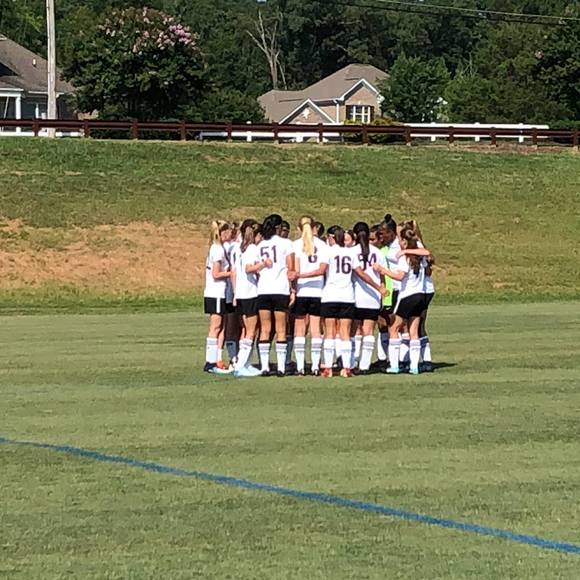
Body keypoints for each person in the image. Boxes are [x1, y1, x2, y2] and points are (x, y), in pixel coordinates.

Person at [321, 225, 386, 378]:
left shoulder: (332, 251)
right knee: (352, 332)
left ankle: (330, 367)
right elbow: (363, 273)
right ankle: (351, 367)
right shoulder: (357, 253)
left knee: (332, 332)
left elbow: (321, 271)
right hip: (352, 297)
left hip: (335, 295)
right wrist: (378, 287)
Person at [373, 227, 427, 374]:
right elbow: (426, 252)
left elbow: (400, 276)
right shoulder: (419, 257)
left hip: (407, 296)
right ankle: (414, 367)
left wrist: (383, 271)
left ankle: (394, 365)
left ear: (404, 241)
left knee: (394, 328)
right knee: (413, 331)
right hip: (420, 295)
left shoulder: (405, 258)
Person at [256, 214, 295, 376]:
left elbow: (257, 268)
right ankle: (281, 367)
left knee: (265, 328)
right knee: (281, 328)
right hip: (280, 288)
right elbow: (291, 269)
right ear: (278, 228)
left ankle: (264, 367)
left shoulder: (260, 245)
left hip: (263, 289)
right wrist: (293, 290)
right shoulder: (286, 243)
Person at [292, 216, 329, 376]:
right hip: (317, 292)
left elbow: (295, 271)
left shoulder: (295, 245)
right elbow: (322, 270)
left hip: (301, 291)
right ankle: (315, 366)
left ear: (299, 228)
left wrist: (298, 279)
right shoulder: (322, 245)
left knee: (299, 330)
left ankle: (300, 367)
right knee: (316, 330)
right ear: (314, 227)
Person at [352, 222, 388, 374]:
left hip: (355, 295)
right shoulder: (378, 252)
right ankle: (365, 366)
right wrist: (381, 290)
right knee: (368, 331)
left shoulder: (352, 251)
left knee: (355, 331)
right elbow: (382, 275)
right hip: (372, 297)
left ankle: (353, 362)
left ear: (355, 235)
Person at [232, 219, 264, 377]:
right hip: (250, 293)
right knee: (251, 330)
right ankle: (241, 365)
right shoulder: (252, 248)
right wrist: (263, 265)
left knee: (246, 330)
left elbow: (236, 271)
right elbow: (248, 268)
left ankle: (245, 363)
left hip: (241, 292)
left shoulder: (240, 248)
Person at [203, 220, 233, 374]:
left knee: (221, 326)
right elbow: (216, 273)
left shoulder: (220, 248)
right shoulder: (217, 249)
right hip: (216, 292)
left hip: (220, 292)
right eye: (227, 231)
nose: (230, 233)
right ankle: (210, 362)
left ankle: (217, 360)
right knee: (215, 327)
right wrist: (231, 273)